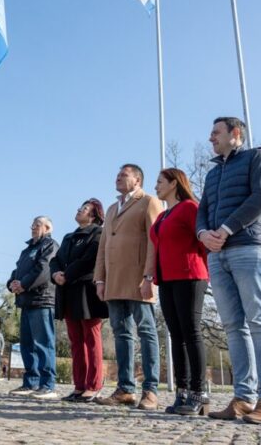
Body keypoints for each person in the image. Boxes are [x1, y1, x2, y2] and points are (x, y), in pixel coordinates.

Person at [196, 117, 261, 424]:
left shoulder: (257, 157)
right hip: (217, 255)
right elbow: (203, 210)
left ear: (235, 133)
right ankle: (244, 397)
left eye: (216, 132)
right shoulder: (212, 173)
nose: (211, 138)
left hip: (248, 247)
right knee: (233, 326)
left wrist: (226, 228)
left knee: (260, 321)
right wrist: (203, 234)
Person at [94, 164, 163, 410]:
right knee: (121, 333)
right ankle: (125, 389)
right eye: (117, 175)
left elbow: (155, 242)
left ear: (137, 180)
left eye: (124, 175)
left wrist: (149, 276)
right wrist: (100, 279)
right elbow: (103, 246)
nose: (118, 178)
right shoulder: (112, 208)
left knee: (146, 331)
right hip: (113, 281)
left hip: (138, 279)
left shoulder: (149, 202)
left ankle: (151, 390)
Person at [150, 168, 209, 415]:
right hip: (166, 279)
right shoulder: (162, 215)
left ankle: (199, 392)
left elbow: (204, 243)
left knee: (191, 331)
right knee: (176, 335)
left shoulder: (189, 208)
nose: (156, 186)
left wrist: (208, 271)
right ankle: (182, 391)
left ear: (174, 183)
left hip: (190, 276)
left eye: (160, 182)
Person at [50, 198, 107, 403]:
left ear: (93, 215)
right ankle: (79, 385)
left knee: (91, 338)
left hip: (87, 291)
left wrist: (67, 274)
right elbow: (56, 259)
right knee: (75, 341)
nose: (79, 210)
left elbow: (89, 259)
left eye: (84, 209)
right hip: (67, 292)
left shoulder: (98, 233)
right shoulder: (68, 237)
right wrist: (55, 273)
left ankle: (93, 385)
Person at [7, 216, 59, 400]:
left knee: (43, 344)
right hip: (26, 301)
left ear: (48, 228)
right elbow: (17, 270)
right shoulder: (27, 249)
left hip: (42, 300)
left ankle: (48, 385)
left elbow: (43, 270)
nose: (33, 228)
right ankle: (31, 382)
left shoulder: (50, 245)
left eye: (37, 225)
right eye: (32, 225)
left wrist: (24, 284)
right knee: (27, 345)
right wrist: (12, 283)